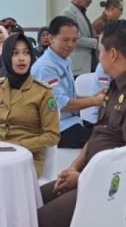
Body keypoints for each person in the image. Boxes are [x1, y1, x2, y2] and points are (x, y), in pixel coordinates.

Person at [38, 20, 126, 227]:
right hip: (94, 179)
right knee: (27, 204)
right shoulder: (117, 87)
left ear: (113, 54)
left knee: (38, 221)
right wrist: (74, 167)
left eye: (100, 51)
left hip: (121, 190)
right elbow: (98, 135)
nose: (99, 57)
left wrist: (83, 180)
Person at [0, 32, 61, 177]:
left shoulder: (43, 93)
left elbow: (52, 135)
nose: (21, 58)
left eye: (26, 53)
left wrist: (20, 145)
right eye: (15, 53)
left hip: (27, 158)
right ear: (6, 57)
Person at [31, 16, 104, 148]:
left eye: (74, 40)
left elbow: (69, 97)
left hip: (71, 121)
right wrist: (95, 101)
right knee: (104, 142)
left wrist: (95, 97)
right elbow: (60, 104)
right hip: (56, 129)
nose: (70, 45)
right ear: (51, 38)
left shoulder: (64, 59)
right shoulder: (46, 67)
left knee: (106, 132)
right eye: (65, 40)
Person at [61, 0, 97, 76]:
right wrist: (97, 43)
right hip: (78, 67)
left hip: (89, 65)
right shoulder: (68, 13)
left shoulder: (81, 12)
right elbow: (75, 39)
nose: (91, 0)